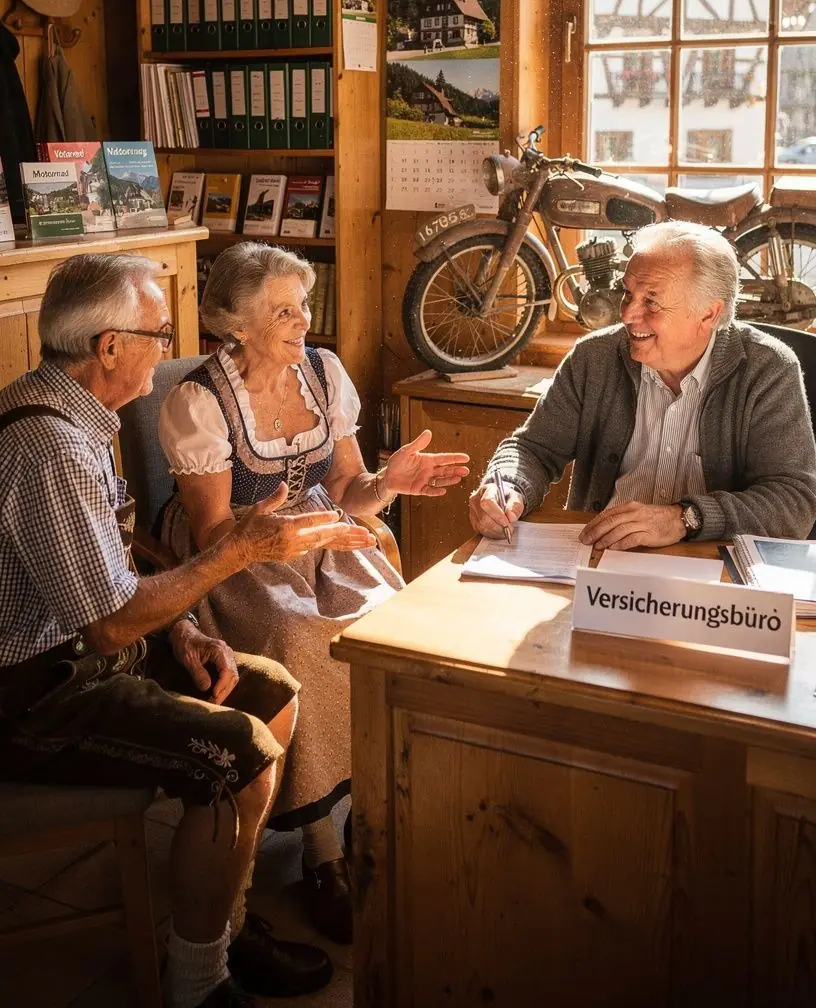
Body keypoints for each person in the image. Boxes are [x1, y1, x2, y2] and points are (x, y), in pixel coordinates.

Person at [0, 252, 381, 1008]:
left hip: (84, 648)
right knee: (234, 756)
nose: (169, 346)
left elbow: (106, 577)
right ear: (109, 347)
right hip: (34, 690)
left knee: (269, 691)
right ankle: (199, 985)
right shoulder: (51, 447)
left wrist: (182, 632)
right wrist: (238, 551)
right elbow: (109, 626)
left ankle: (223, 926)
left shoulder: (74, 415)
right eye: (156, 331)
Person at [158, 243, 470, 942]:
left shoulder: (324, 374)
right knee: (301, 635)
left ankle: (374, 809)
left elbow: (349, 490)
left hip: (322, 537)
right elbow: (212, 532)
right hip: (241, 550)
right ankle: (322, 851)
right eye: (282, 313)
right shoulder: (197, 401)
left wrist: (389, 484)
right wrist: (294, 532)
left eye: (302, 306)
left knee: (390, 623)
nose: (303, 323)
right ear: (235, 324)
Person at [469, 221, 816, 549]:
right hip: (599, 564)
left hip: (711, 575)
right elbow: (532, 449)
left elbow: (793, 502)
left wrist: (686, 518)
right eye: (627, 293)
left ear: (709, 314)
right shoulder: (594, 358)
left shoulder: (768, 369)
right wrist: (507, 485)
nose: (627, 314)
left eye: (651, 301)